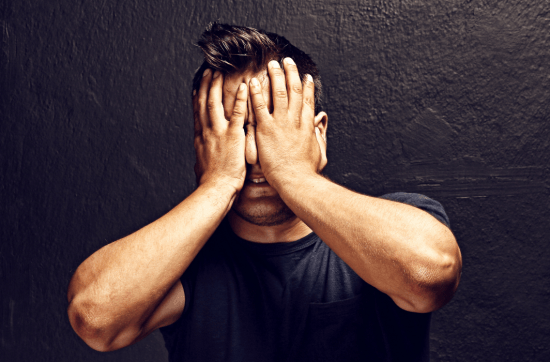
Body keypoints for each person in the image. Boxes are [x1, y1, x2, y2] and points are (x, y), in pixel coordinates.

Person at [67, 23, 462, 361]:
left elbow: (429, 275)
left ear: (318, 133)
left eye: (272, 125)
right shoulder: (186, 264)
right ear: (204, 142)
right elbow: (95, 319)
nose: (255, 153)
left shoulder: (397, 221)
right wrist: (218, 184)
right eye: (236, 127)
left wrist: (292, 172)